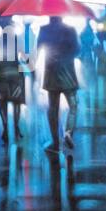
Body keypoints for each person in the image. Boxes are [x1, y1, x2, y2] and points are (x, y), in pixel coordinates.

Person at [38, 16, 81, 152]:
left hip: (51, 73)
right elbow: (77, 50)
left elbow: (39, 48)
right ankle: (68, 132)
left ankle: (55, 142)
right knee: (73, 105)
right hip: (68, 73)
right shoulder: (70, 30)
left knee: (53, 108)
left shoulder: (44, 30)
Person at [0, 29, 25, 144]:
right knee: (17, 103)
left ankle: (5, 128)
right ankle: (16, 127)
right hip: (16, 75)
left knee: (2, 103)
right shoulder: (17, 40)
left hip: (2, 75)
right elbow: (24, 57)